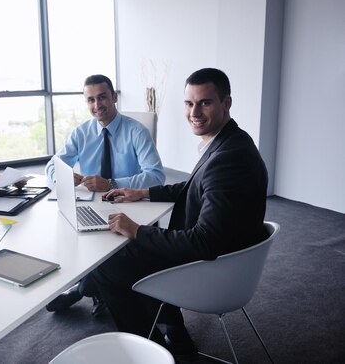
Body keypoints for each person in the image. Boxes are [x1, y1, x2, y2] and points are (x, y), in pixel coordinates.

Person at [92, 68, 269, 361]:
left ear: (226, 103)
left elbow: (203, 242)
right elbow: (194, 188)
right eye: (189, 103)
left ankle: (149, 351)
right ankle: (172, 329)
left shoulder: (228, 160)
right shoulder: (231, 142)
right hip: (229, 257)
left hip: (212, 272)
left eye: (205, 103)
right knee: (131, 252)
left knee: (108, 264)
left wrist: (137, 230)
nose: (194, 112)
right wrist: (144, 193)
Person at [45, 74, 165, 315]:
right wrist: (65, 177)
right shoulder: (81, 133)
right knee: (66, 231)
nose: (96, 105)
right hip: (93, 206)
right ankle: (92, 288)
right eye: (90, 100)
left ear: (114, 97)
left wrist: (111, 183)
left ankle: (83, 289)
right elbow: (52, 167)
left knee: (108, 252)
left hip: (131, 208)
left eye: (102, 97)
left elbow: (156, 176)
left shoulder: (136, 132)